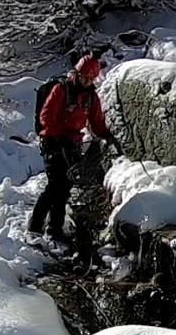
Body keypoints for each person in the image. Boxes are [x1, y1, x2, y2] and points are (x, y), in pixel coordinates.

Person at [29, 55, 122, 242]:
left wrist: (108, 136)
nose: (87, 81)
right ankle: (35, 228)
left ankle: (54, 229)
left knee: (64, 187)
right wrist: (59, 135)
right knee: (54, 186)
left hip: (73, 144)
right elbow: (46, 117)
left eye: (91, 78)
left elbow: (96, 123)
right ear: (77, 73)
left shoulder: (91, 97)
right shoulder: (61, 90)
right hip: (53, 142)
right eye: (84, 77)